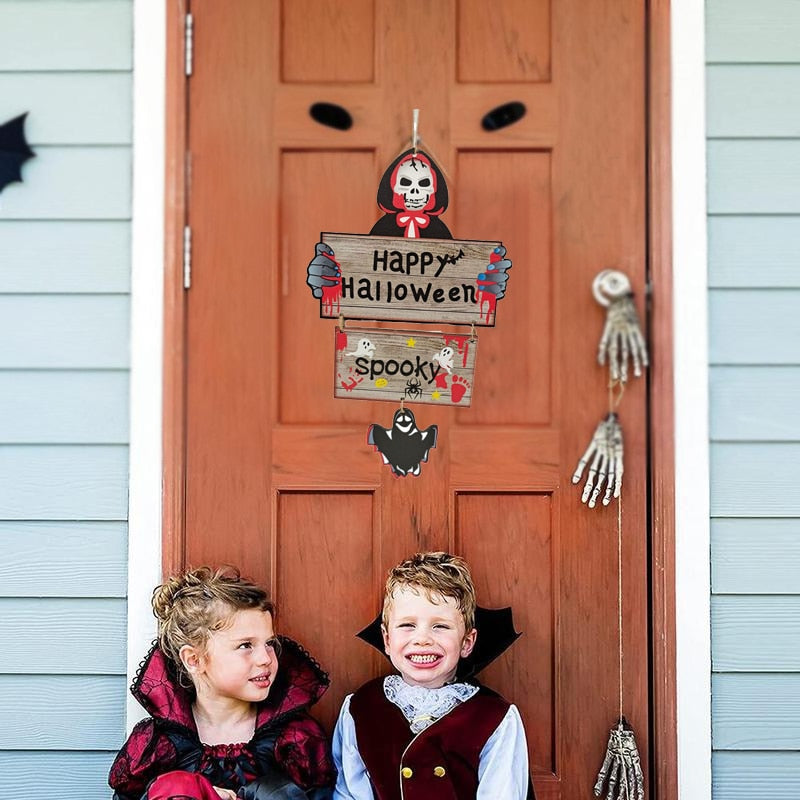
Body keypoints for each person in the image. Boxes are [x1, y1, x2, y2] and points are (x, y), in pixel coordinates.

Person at [109, 566, 335, 800]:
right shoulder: (161, 744)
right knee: (176, 787)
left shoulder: (293, 739)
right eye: (245, 645)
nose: (265, 658)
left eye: (269, 643)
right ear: (194, 660)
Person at [332, 552, 534, 799]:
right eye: (407, 625)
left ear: (467, 642)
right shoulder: (360, 708)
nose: (422, 639)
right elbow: (350, 793)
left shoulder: (496, 719)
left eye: (440, 626)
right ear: (387, 638)